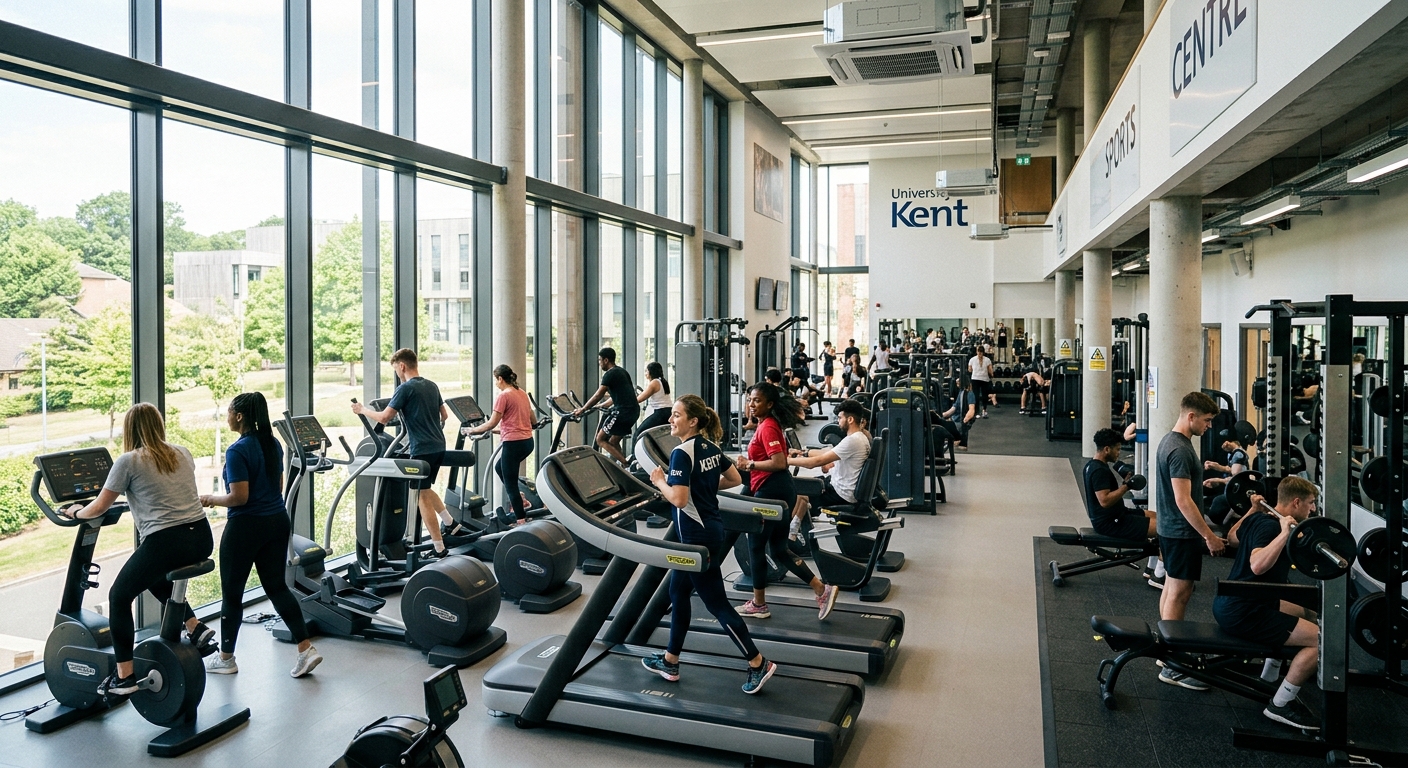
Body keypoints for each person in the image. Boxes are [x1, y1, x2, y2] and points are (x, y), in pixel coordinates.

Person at [59, 403, 216, 696]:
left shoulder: (128, 461)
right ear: (159, 425)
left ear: (129, 429)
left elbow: (99, 508)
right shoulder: (181, 452)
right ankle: (194, 627)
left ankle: (125, 677)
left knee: (119, 597)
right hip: (201, 537)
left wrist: (76, 512)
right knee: (153, 576)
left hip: (167, 542)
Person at [641, 395, 777, 694]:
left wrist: (659, 481)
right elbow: (734, 478)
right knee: (677, 593)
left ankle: (758, 662)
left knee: (716, 604)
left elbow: (677, 499)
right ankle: (670, 660)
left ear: (693, 421)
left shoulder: (681, 453)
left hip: (696, 538)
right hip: (708, 530)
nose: (670, 420)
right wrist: (700, 486)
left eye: (676, 415)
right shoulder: (710, 448)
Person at [198, 392, 322, 677]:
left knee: (232, 594)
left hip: (246, 527)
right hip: (277, 521)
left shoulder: (237, 450)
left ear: (239, 416)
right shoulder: (273, 445)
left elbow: (239, 497)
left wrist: (208, 498)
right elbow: (277, 487)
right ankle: (306, 649)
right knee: (277, 587)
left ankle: (226, 658)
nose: (227, 416)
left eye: (229, 412)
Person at [1214, 476, 1322, 730]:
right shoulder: (1272, 527)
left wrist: (1252, 509)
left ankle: (1270, 676)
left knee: (1306, 612)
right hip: (1245, 611)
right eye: (1311, 503)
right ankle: (1281, 703)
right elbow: (1258, 565)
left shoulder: (1259, 517)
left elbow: (1232, 537)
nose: (1313, 509)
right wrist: (1285, 533)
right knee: (1322, 640)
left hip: (1236, 601)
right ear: (1295, 502)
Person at [734, 382, 839, 620]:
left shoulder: (768, 427)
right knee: (780, 549)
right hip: (779, 489)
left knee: (756, 547)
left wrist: (750, 464)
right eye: (750, 399)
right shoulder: (767, 425)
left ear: (770, 404)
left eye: (757, 400)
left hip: (772, 491)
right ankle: (822, 589)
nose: (752, 404)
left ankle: (759, 604)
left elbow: (779, 462)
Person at [353, 348, 455, 556]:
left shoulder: (405, 388)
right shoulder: (432, 385)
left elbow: (383, 418)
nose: (397, 374)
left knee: (421, 496)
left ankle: (439, 547)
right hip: (438, 445)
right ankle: (451, 523)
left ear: (402, 366)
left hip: (422, 448)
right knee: (425, 489)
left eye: (396, 369)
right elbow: (444, 415)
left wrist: (362, 410)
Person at [1154, 390, 1224, 690]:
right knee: (1180, 593)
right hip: (1181, 532)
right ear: (1191, 416)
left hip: (1171, 529)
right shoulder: (1180, 450)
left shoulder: (1171, 442)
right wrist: (1208, 535)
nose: (1208, 426)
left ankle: (1166, 651)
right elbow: (1184, 501)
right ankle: (1173, 666)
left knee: (1171, 589)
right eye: (1206, 421)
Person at [462, 365, 536, 525]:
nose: (495, 383)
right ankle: (521, 500)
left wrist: (471, 430)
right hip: (528, 443)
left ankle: (521, 520)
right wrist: (501, 430)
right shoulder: (521, 393)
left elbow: (491, 423)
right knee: (499, 467)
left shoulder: (504, 396)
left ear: (500, 379)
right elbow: (532, 420)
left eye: (496, 380)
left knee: (510, 484)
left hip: (514, 444)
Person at [787, 399, 871, 540]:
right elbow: (827, 453)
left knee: (798, 489)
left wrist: (786, 460)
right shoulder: (859, 438)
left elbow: (815, 462)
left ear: (850, 419)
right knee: (805, 487)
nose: (838, 422)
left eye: (840, 418)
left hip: (840, 492)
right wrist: (803, 453)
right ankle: (794, 530)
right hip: (840, 486)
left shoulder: (853, 441)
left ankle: (791, 535)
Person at [574, 347, 638, 466]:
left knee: (600, 439)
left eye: (599, 360)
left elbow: (598, 394)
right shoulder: (622, 371)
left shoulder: (610, 374)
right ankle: (627, 468)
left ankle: (626, 464)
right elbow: (618, 395)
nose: (599, 364)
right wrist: (601, 405)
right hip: (633, 411)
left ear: (606, 360)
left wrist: (583, 409)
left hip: (622, 412)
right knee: (613, 441)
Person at [1203, 432, 1251, 525]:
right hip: (1232, 491)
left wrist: (1218, 480)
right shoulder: (1234, 454)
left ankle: (1215, 524)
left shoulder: (1239, 455)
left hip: (1236, 494)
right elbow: (1231, 469)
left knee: (1218, 501)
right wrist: (1216, 466)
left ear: (1227, 442)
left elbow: (1236, 474)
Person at [634, 361, 674, 437]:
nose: (645, 373)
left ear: (651, 372)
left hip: (661, 413)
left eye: (646, 371)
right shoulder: (662, 381)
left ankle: (634, 449)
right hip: (668, 411)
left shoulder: (654, 382)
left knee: (638, 433)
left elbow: (639, 399)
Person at [941, 377, 978, 451]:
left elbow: (971, 409)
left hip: (960, 422)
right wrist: (942, 415)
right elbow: (954, 408)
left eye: (958, 382)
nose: (957, 384)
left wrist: (966, 419)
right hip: (955, 419)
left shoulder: (970, 394)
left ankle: (957, 440)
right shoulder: (961, 392)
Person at [968, 345, 994, 417]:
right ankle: (983, 411)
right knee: (982, 395)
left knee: (979, 395)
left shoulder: (972, 359)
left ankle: (978, 412)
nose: (980, 354)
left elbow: (970, 370)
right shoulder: (987, 360)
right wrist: (992, 375)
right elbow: (990, 371)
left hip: (979, 379)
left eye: (980, 352)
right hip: (979, 379)